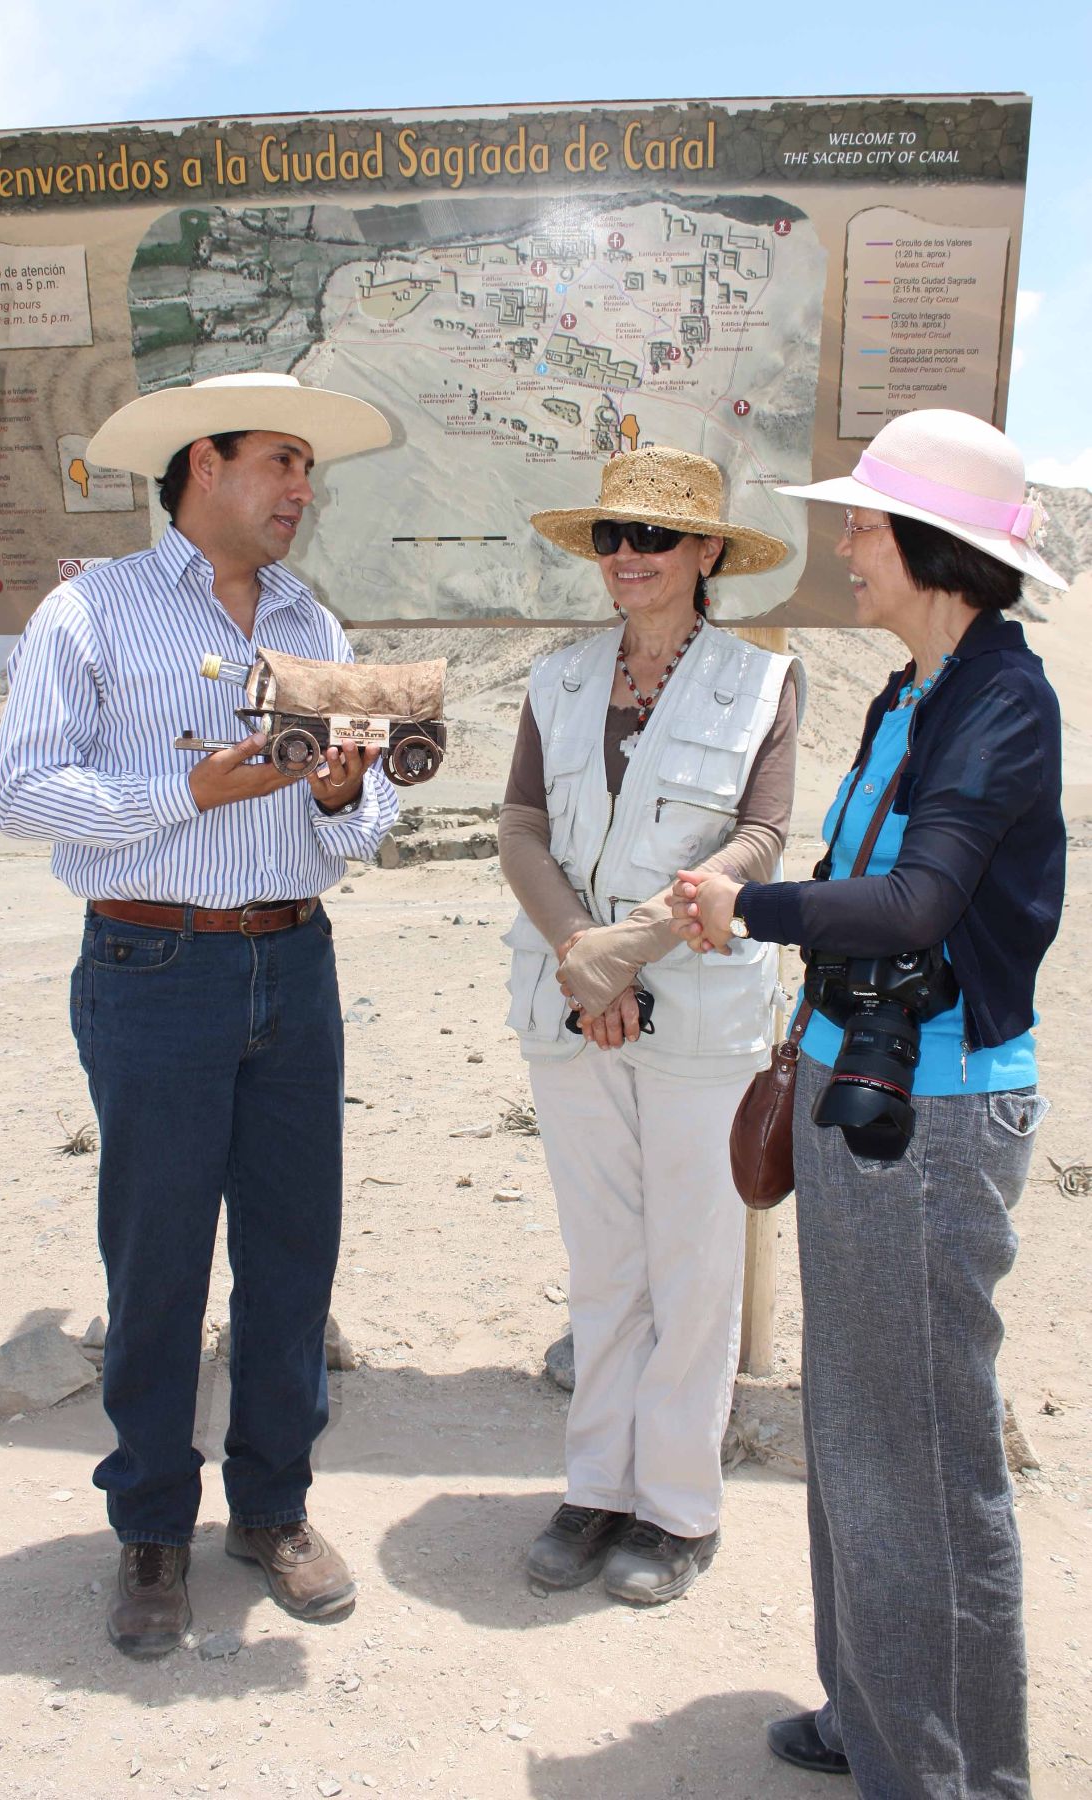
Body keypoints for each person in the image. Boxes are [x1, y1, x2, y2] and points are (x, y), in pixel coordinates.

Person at [670, 409, 1066, 1794]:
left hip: (935, 1118)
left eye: (863, 521)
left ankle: (954, 1775)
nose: (845, 541)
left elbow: (916, 901)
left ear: (934, 549)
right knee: (856, 1434)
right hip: (864, 1091)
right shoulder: (913, 691)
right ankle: (872, 1717)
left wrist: (744, 905)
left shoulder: (1002, 703)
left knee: (928, 1468)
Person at [0, 371, 399, 1657]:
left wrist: (339, 797)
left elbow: (368, 824)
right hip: (152, 967)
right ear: (202, 466)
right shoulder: (89, 612)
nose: (301, 488)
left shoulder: (316, 626)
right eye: (280, 461)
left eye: (306, 468)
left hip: (297, 962)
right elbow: (24, 794)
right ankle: (152, 1530)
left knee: (293, 1253)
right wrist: (192, 796)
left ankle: (271, 1509)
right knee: (157, 1260)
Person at [499, 445, 803, 1604]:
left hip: (698, 1013)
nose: (626, 558)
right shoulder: (557, 677)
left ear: (707, 555)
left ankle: (675, 1509)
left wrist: (625, 952)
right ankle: (595, 1490)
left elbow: (757, 840)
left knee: (690, 1263)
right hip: (568, 1004)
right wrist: (582, 959)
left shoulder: (762, 681)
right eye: (611, 538)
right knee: (603, 1265)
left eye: (654, 539)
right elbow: (521, 825)